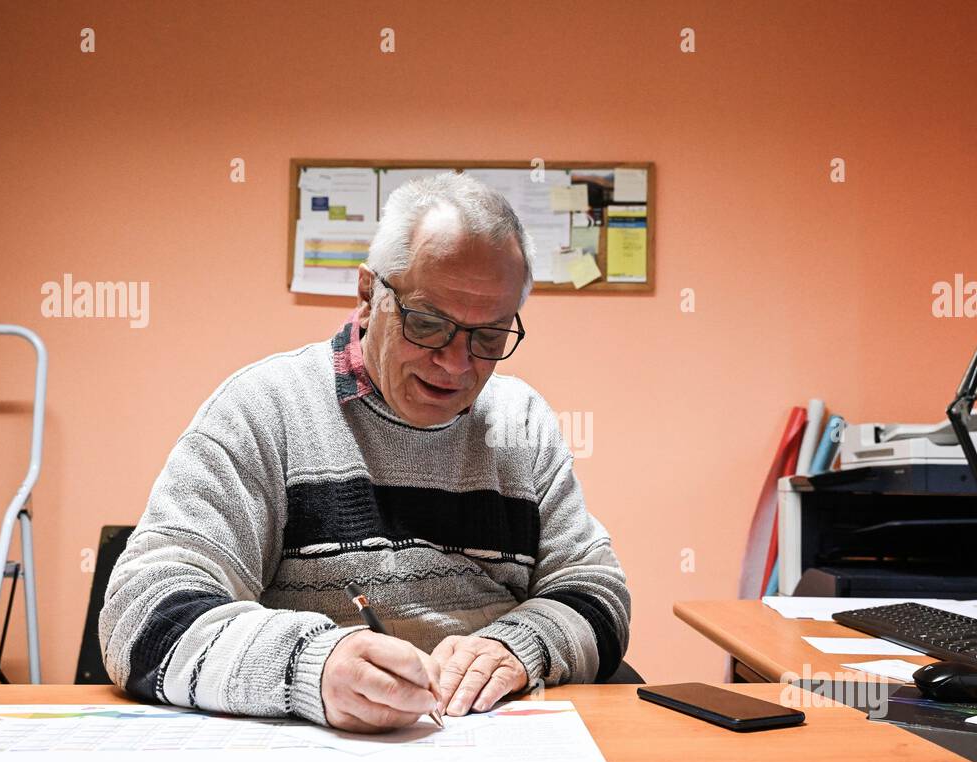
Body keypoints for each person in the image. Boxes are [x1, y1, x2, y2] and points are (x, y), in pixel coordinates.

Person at [99, 172, 630, 733]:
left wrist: (521, 645)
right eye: (427, 324)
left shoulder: (521, 423)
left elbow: (596, 591)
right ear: (368, 296)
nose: (455, 362)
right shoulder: (265, 409)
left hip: (487, 750)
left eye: (489, 337)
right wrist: (309, 668)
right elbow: (141, 612)